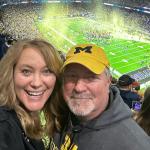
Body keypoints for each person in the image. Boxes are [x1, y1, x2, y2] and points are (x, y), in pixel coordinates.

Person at [53, 44, 150, 150]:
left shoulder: (135, 144)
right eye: (71, 76)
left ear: (108, 81)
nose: (79, 88)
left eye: (91, 77)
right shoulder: (57, 112)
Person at [0, 39, 64, 150]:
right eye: (26, 71)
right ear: (11, 74)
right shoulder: (4, 125)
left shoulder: (26, 113)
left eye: (47, 71)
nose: (36, 83)